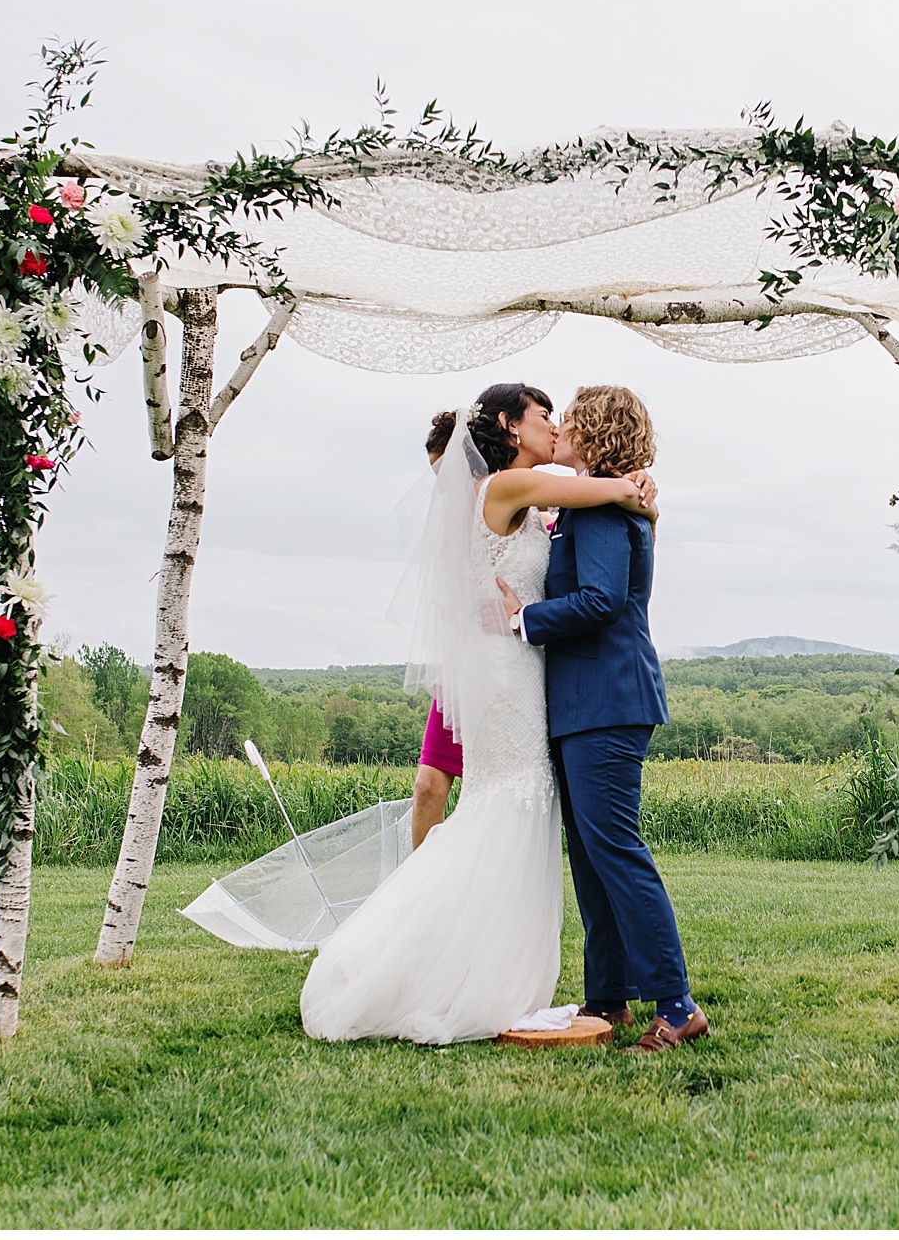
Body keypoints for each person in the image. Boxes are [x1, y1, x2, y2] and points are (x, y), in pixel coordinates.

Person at [300, 383, 655, 1044]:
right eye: (542, 415)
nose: (553, 425)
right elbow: (587, 490)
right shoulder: (502, 487)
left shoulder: (509, 494)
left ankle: (485, 972)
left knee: (511, 809)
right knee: (507, 807)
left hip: (518, 665)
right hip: (506, 667)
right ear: (507, 425)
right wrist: (630, 486)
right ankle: (430, 967)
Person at [497, 385, 705, 1054]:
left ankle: (677, 1005)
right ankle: (608, 997)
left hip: (609, 699)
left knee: (616, 850)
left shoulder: (604, 514)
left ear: (594, 433)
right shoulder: (601, 502)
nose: (557, 430)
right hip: (583, 703)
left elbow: (602, 600)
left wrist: (523, 619)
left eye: (570, 421)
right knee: (590, 859)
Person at [411, 411, 463, 849]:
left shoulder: (534, 500)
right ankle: (421, 892)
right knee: (428, 785)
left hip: (513, 660)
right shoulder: (452, 520)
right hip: (463, 664)